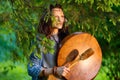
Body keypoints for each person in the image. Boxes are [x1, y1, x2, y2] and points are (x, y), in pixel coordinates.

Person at [28, 4, 70, 80]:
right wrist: (54, 71)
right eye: (56, 17)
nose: (60, 20)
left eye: (62, 17)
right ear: (47, 18)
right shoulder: (39, 40)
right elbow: (31, 68)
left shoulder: (66, 38)